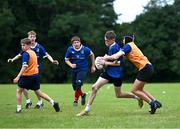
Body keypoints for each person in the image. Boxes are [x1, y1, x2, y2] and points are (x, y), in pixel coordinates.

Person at [77, 30, 143, 116]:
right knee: (94, 87)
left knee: (119, 95)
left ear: (112, 39)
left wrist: (104, 62)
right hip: (108, 73)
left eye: (107, 40)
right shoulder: (111, 47)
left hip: (117, 74)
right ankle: (87, 110)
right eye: (105, 40)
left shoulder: (115, 47)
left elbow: (118, 63)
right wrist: (104, 61)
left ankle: (138, 97)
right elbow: (111, 61)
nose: (105, 42)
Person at [103, 34, 162, 114]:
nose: (123, 41)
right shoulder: (131, 46)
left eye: (124, 39)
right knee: (139, 89)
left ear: (127, 39)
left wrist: (105, 58)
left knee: (134, 90)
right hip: (148, 67)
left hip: (145, 68)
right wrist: (113, 58)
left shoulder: (128, 46)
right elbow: (119, 57)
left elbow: (116, 56)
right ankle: (155, 102)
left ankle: (152, 104)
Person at [8, 30, 59, 109]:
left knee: (32, 89)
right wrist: (12, 59)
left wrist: (52, 60)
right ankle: (29, 101)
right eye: (31, 36)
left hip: (36, 70)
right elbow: (19, 55)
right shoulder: (25, 47)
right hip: (27, 71)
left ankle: (39, 101)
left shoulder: (39, 47)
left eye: (34, 36)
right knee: (26, 88)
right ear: (28, 38)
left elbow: (47, 54)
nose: (32, 38)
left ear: (35, 37)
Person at [65, 36, 96, 106]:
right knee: (74, 87)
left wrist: (93, 66)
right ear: (72, 44)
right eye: (74, 43)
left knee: (78, 85)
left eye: (77, 42)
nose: (76, 44)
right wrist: (71, 65)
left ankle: (75, 101)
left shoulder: (85, 49)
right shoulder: (70, 49)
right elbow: (66, 59)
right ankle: (82, 95)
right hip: (74, 70)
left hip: (83, 69)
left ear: (80, 42)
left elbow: (92, 54)